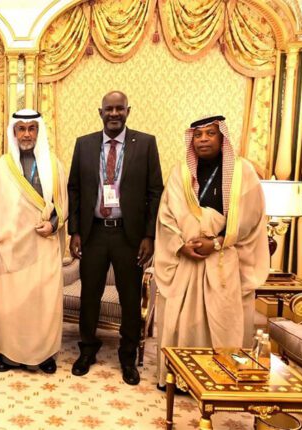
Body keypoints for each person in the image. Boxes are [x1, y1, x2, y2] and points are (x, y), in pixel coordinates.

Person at [154, 115, 269, 387]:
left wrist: (216, 242)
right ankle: (180, 378)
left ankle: (221, 379)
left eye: (210, 133)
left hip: (223, 260)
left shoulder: (242, 173)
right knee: (184, 322)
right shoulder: (180, 173)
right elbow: (165, 216)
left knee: (223, 321)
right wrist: (181, 245)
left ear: (222, 137)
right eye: (198, 135)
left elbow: (251, 218)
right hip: (187, 261)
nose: (203, 139)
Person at [68, 91, 163, 384]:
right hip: (94, 232)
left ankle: (127, 355)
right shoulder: (84, 144)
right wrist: (75, 231)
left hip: (128, 235)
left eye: (119, 109)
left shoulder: (145, 143)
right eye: (108, 109)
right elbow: (74, 189)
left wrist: (149, 235)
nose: (113, 114)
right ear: (100, 112)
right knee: (89, 295)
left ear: (127, 111)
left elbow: (155, 192)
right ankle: (87, 349)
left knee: (130, 298)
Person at [0, 109, 68, 374]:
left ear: (38, 131)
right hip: (9, 247)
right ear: (14, 132)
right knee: (11, 306)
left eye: (32, 128)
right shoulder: (2, 166)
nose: (27, 134)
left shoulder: (54, 164)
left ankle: (44, 355)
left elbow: (64, 205)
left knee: (44, 303)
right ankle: (8, 354)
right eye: (21, 129)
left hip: (43, 245)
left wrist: (53, 224)